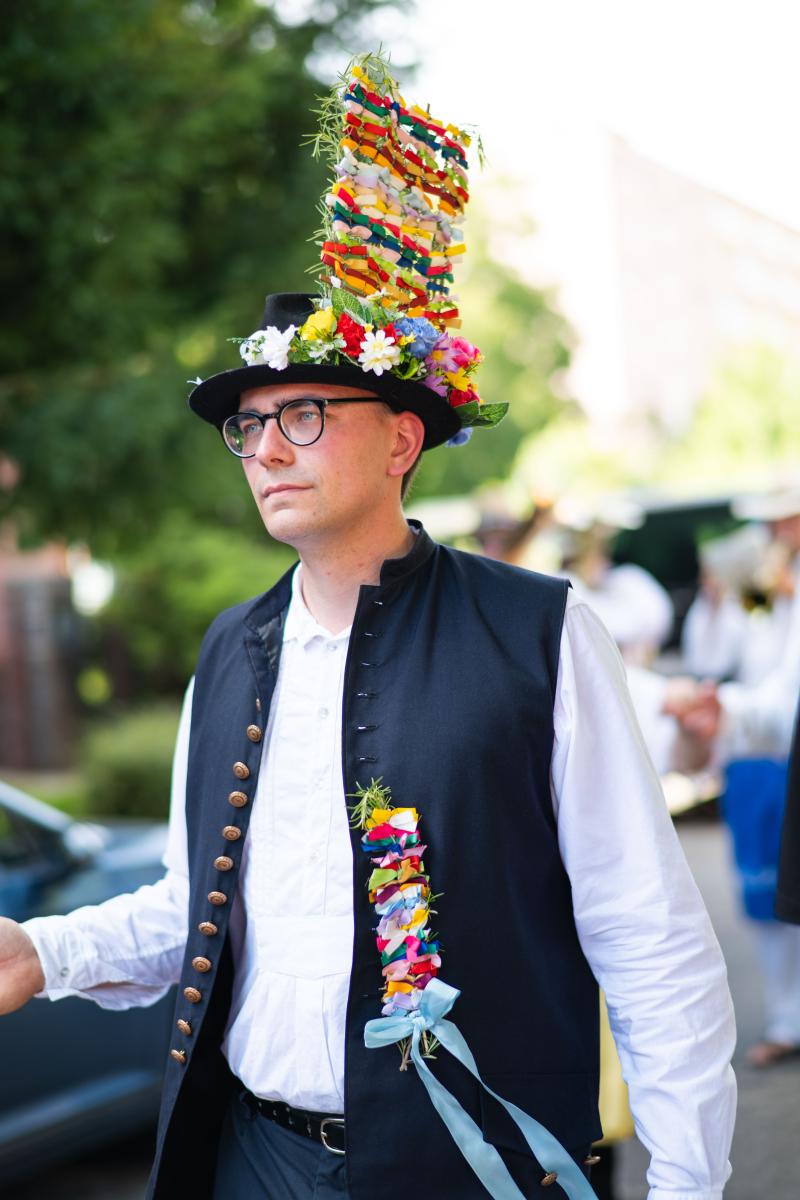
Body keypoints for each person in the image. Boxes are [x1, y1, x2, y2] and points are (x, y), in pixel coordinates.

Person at [0, 53, 736, 1200]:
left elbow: (645, 934)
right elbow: (202, 908)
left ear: (399, 438)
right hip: (252, 1158)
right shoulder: (228, 650)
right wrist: (45, 951)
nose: (265, 450)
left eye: (302, 413)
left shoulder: (536, 631)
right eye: (247, 428)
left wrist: (686, 1184)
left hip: (473, 1166)